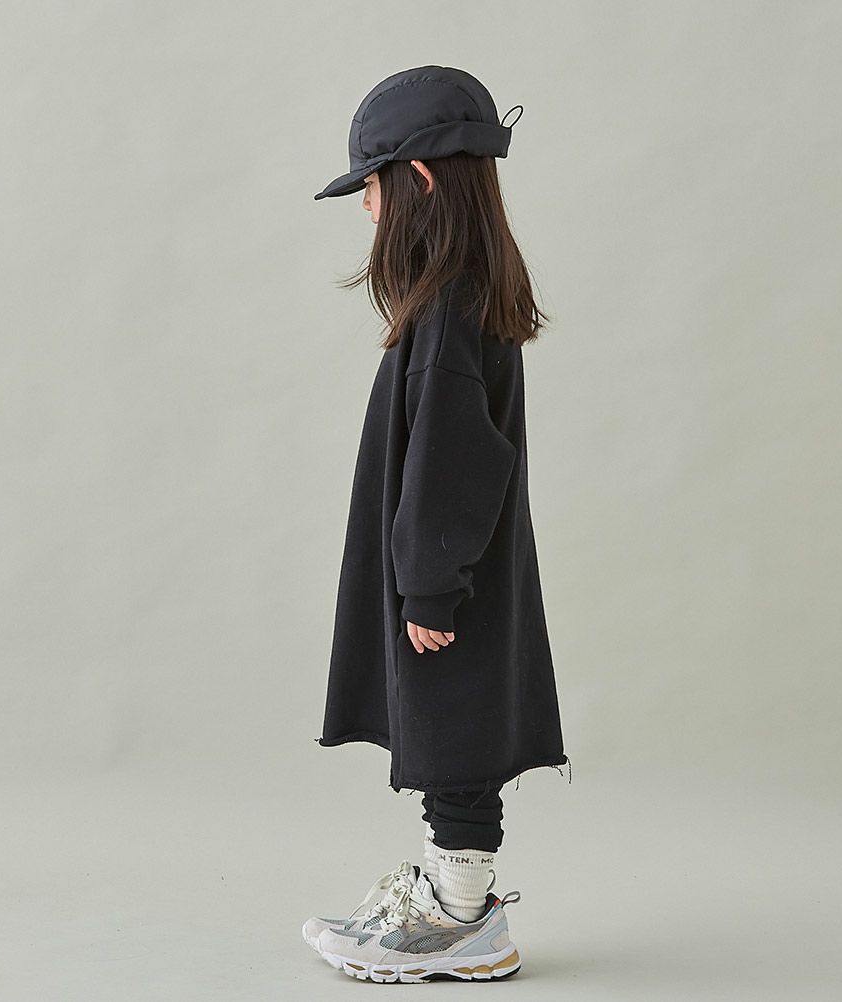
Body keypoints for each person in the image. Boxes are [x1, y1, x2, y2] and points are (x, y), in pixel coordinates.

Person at [302, 65, 570, 985]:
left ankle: (459, 920)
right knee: (453, 715)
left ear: (417, 178)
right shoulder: (463, 295)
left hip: (451, 574)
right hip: (459, 565)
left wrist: (428, 583)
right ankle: (453, 902)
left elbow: (452, 456)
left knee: (453, 722)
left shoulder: (451, 308)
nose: (365, 206)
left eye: (370, 184)